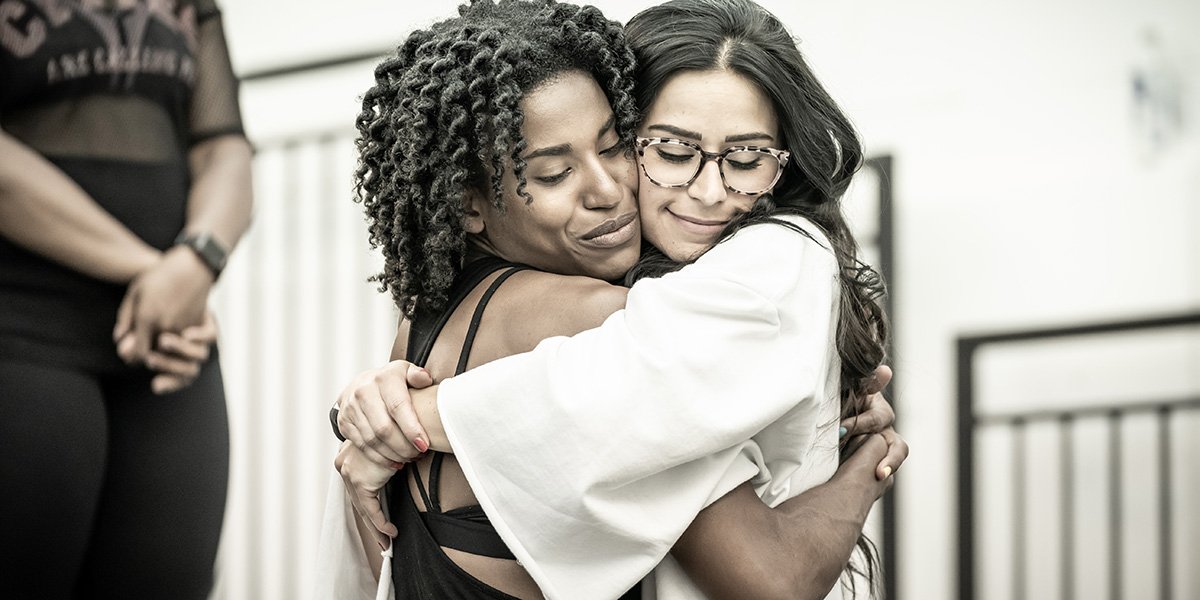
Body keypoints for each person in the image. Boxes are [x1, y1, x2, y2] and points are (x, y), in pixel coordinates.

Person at [327, 0, 906, 599]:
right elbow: (772, 577)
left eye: (611, 148)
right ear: (468, 203)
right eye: (553, 174)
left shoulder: (419, 331)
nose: (606, 190)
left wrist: (380, 420)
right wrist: (871, 460)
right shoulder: (596, 326)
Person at [0, 1, 251, 597]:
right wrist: (162, 274)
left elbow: (226, 149)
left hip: (170, 341)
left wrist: (196, 260)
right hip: (23, 325)